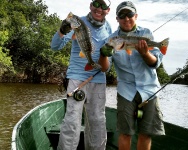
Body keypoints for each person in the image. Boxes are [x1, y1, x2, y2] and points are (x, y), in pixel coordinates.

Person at [99, 1, 165, 150]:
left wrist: (145, 53)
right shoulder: (111, 40)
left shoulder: (146, 33)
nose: (126, 18)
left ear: (136, 16)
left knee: (146, 133)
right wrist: (103, 55)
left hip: (149, 92)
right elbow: (104, 69)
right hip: (126, 92)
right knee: (125, 132)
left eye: (129, 14)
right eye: (122, 15)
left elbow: (155, 63)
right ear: (117, 18)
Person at [50, 0, 112, 149]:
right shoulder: (78, 22)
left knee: (97, 121)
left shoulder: (109, 28)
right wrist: (62, 30)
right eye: (96, 4)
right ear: (90, 6)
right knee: (71, 120)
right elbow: (55, 46)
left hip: (98, 79)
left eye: (103, 6)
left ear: (108, 10)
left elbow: (106, 68)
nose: (99, 8)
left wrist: (104, 55)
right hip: (77, 78)